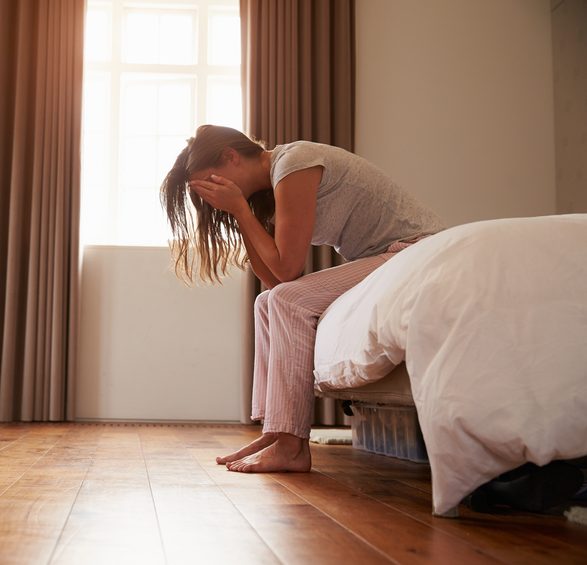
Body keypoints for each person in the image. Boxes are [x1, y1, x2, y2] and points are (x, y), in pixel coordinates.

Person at [160, 125, 445, 473]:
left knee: (288, 300)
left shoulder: (294, 163)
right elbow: (273, 281)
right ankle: (276, 432)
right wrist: (240, 213)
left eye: (211, 183)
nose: (210, 197)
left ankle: (292, 446)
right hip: (390, 258)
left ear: (231, 157)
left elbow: (289, 269)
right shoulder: (273, 187)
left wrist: (241, 211)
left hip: (415, 252)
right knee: (267, 302)